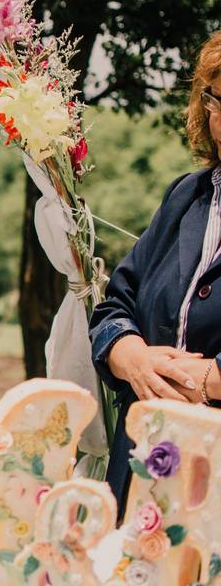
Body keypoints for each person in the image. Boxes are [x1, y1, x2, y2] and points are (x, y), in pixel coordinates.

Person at [90, 31, 221, 515]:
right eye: (220, 100)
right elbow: (114, 307)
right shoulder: (185, 196)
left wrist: (213, 377)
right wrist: (132, 357)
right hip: (139, 465)